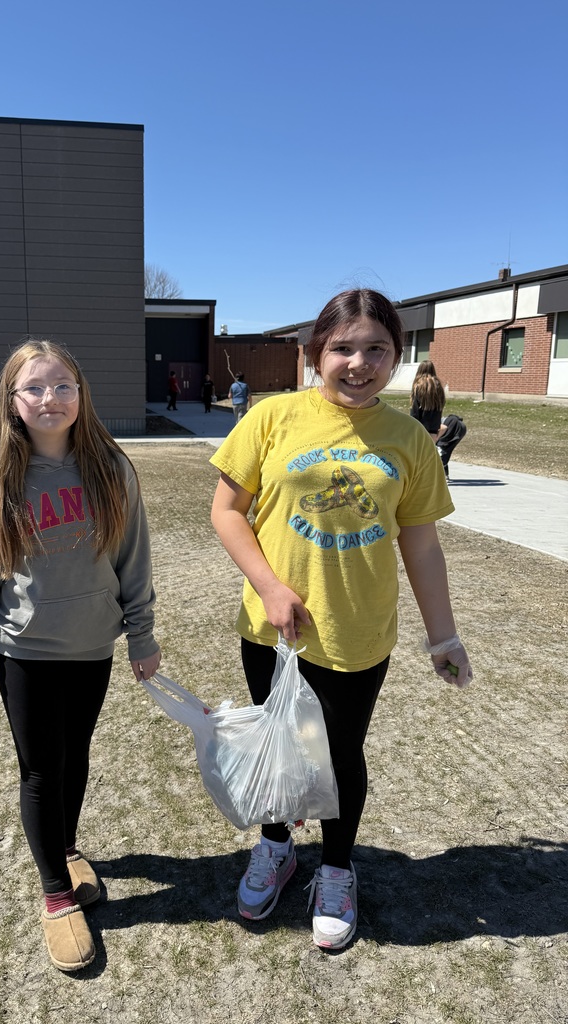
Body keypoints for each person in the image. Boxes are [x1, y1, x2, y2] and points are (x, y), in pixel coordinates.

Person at [210, 289, 472, 950]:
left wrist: (443, 635)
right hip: (273, 629)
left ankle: (334, 867)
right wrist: (269, 586)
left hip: (357, 632)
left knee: (338, 754)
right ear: (314, 355)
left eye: (376, 349)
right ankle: (275, 848)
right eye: (343, 348)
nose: (359, 363)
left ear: (397, 356)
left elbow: (421, 545)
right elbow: (226, 511)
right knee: (278, 750)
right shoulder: (273, 419)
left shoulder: (409, 439)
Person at [0, 339, 161, 973]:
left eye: (63, 385)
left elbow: (133, 559)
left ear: (81, 393)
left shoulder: (111, 469)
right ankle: (54, 896)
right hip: (26, 653)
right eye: (35, 388)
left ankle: (65, 850)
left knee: (75, 759)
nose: (51, 399)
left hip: (93, 646)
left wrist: (142, 633)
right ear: (12, 402)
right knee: (42, 770)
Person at [409, 360, 445, 441]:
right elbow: (441, 404)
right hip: (434, 427)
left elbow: (415, 409)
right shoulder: (438, 385)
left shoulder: (418, 385)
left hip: (420, 427)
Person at [436, 413, 468, 479]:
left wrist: (436, 440)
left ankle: (441, 476)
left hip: (453, 425)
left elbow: (443, 428)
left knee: (440, 449)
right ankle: (445, 475)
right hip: (462, 428)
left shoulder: (431, 424)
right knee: (445, 451)